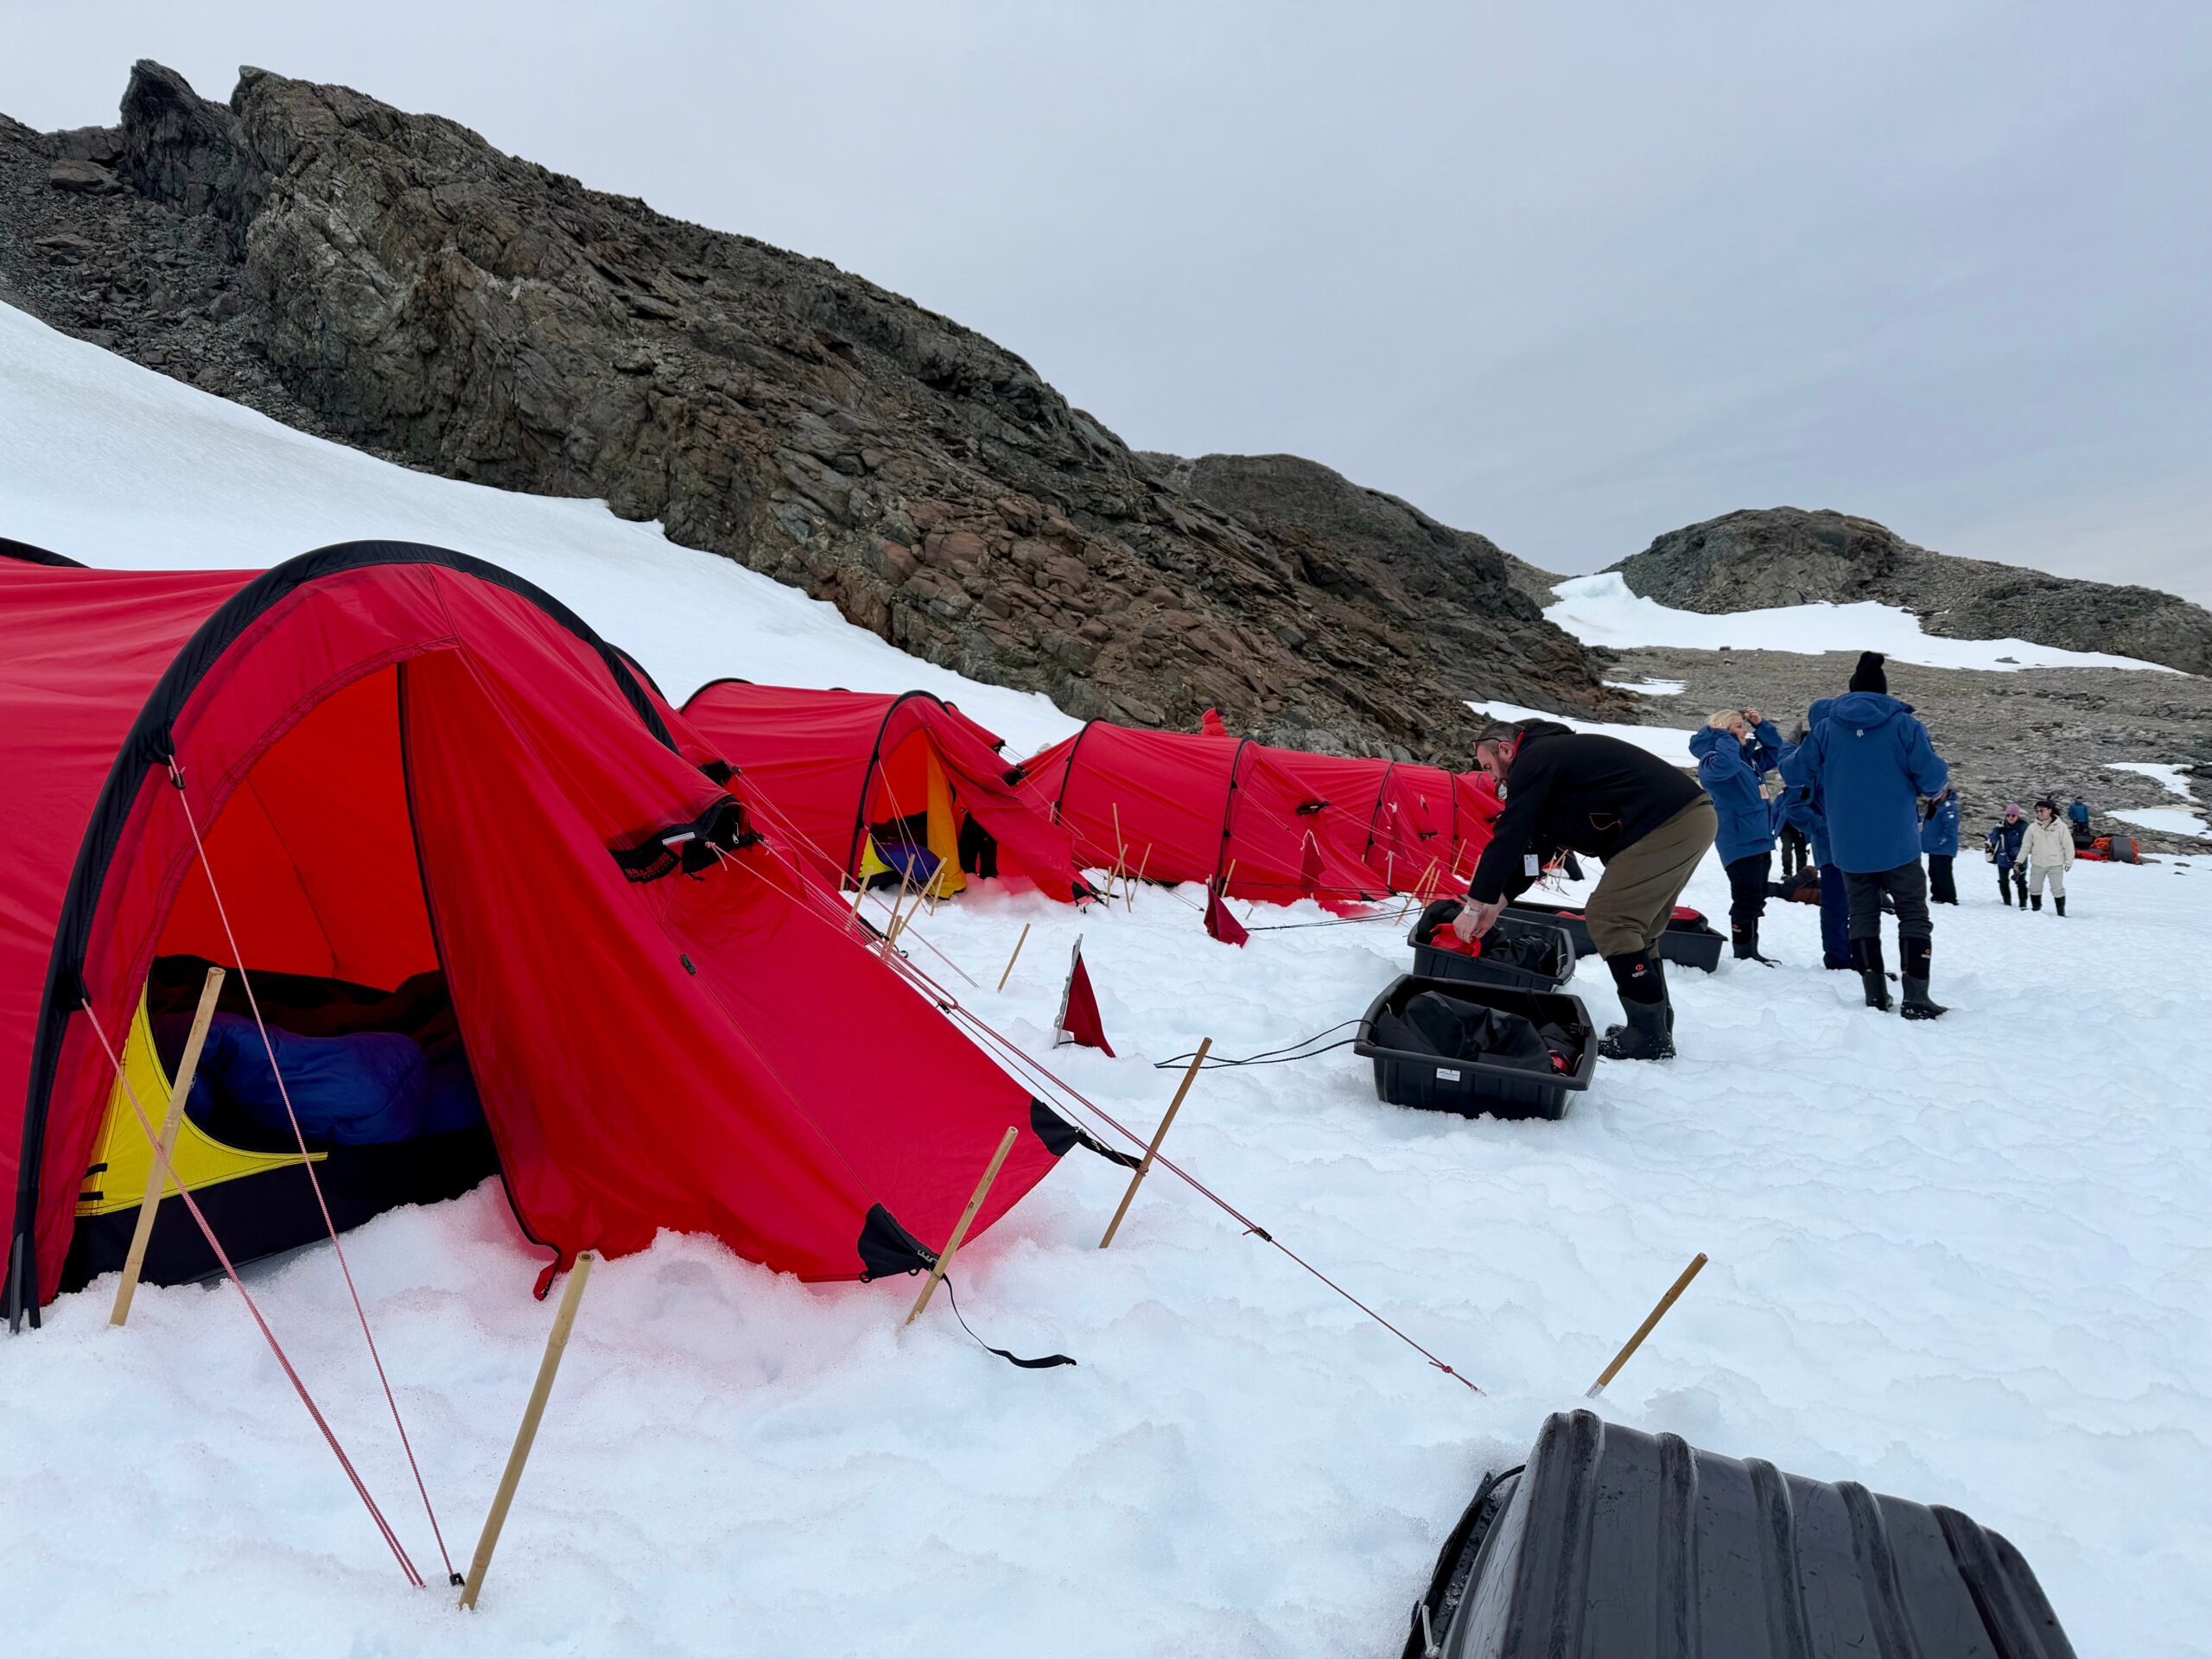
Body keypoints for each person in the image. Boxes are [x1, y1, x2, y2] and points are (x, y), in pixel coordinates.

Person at [1453, 719, 1716, 1060]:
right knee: (1640, 930)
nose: (1492, 779)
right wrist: (1498, 901)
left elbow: (1510, 836)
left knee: (1611, 918)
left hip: (1669, 823)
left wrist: (1474, 905)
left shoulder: (1535, 759)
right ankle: (1655, 1027)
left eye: (1489, 767)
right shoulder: (1550, 761)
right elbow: (1536, 848)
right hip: (1687, 819)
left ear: (1505, 749)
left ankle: (1649, 1037)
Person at [1792, 652, 1949, 1018]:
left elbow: (1796, 770)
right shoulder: (1905, 726)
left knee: (1862, 915)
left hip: (1848, 844)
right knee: (1913, 913)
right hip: (1897, 840)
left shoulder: (1827, 728)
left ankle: (1875, 994)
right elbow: (1932, 778)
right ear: (1883, 692)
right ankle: (1916, 996)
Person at [1688, 707, 1781, 961]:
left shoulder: (1747, 760)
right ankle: (1744, 954)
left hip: (1760, 836)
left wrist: (1762, 725)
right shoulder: (1711, 762)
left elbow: (1776, 751)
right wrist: (1724, 738)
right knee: (1746, 898)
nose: (1745, 731)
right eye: (1739, 726)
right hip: (1738, 839)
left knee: (1757, 895)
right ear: (1724, 731)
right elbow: (1725, 768)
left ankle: (1753, 951)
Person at [1777, 717, 1852, 971]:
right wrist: (1828, 828)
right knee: (1837, 904)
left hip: (1856, 847)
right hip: (1832, 848)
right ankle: (1839, 958)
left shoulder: (1841, 756)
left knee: (1858, 905)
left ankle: (1856, 956)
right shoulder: (1811, 766)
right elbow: (1796, 807)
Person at [2024, 798, 2075, 915]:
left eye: (2042, 810)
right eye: (2037, 811)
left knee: (2057, 889)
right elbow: (2025, 846)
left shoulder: (2061, 827)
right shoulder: (2032, 827)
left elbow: (2068, 846)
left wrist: (2068, 862)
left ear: (2050, 811)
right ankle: (2036, 911)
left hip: (2055, 863)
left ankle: (2061, 913)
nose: (2039, 813)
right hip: (2037, 862)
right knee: (2034, 887)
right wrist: (2018, 861)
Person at [1922, 786, 1961, 904]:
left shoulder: (1949, 806)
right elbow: (1928, 821)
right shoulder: (1934, 805)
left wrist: (1942, 840)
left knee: (1943, 872)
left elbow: (1951, 827)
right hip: (1933, 847)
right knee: (1933, 871)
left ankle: (1948, 898)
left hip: (1944, 847)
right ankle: (1937, 895)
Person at [1986, 805, 2027, 907]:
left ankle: (2023, 904)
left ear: (2018, 816)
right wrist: (1996, 832)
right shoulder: (2001, 826)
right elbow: (1993, 840)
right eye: (2008, 815)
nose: (2010, 817)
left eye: (2013, 815)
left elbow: (2026, 844)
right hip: (2003, 858)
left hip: (2019, 859)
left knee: (2021, 882)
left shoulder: (2023, 827)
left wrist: (2015, 853)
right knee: (2003, 881)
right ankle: (2007, 902)